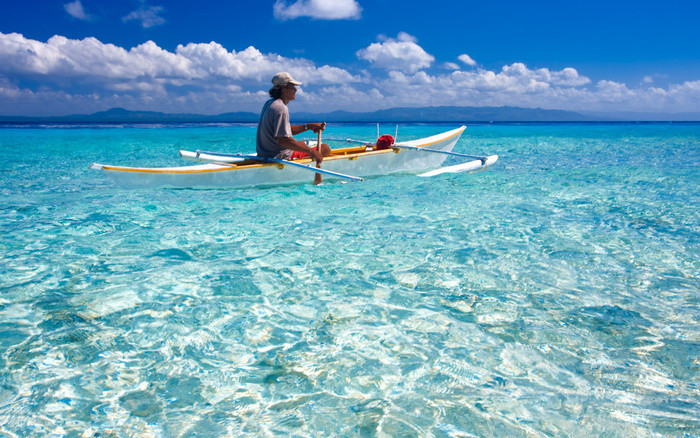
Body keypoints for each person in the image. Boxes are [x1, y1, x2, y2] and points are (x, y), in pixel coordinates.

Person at [256, 72, 330, 162]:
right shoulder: (281, 108)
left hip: (264, 155)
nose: (295, 90)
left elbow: (282, 130)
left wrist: (308, 126)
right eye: (292, 87)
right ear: (284, 88)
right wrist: (310, 151)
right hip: (281, 156)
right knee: (325, 148)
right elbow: (283, 140)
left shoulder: (269, 103)